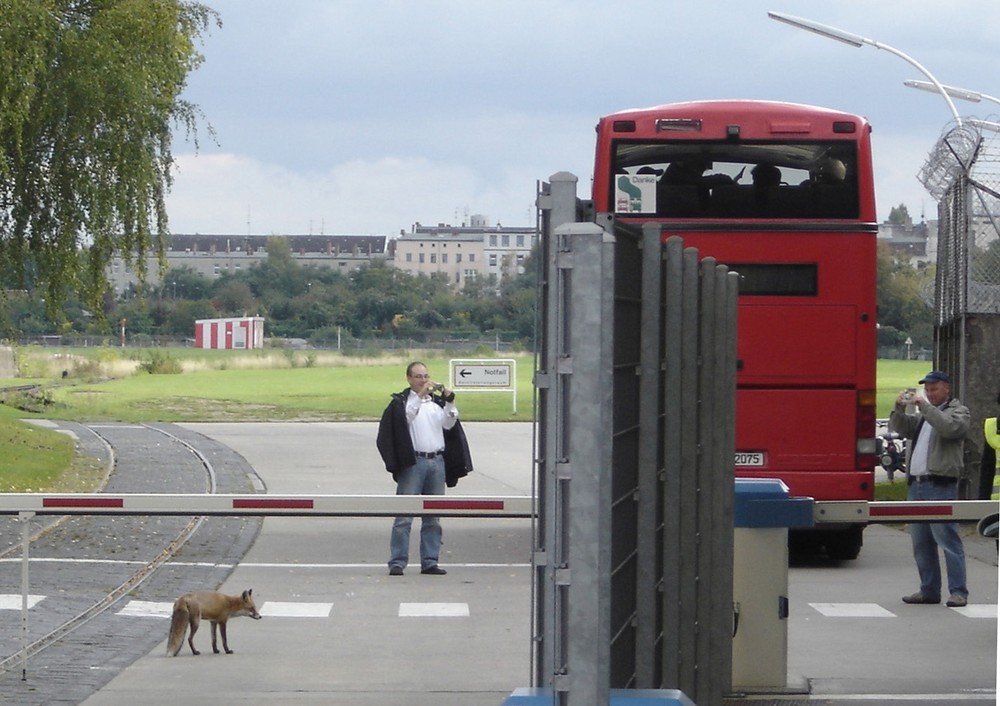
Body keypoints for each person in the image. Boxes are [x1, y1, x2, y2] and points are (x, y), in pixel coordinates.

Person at [376, 361, 472, 576]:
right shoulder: (402, 403)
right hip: (413, 463)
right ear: (409, 379)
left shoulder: (435, 403)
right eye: (418, 376)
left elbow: (449, 423)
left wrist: (449, 402)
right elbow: (406, 418)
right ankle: (397, 561)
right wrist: (419, 396)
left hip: (436, 462)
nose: (423, 380)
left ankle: (430, 561)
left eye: (425, 376)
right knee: (404, 515)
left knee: (433, 515)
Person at [888, 370, 971, 607]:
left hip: (940, 484)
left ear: (947, 389)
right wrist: (899, 407)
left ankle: (958, 591)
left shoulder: (958, 412)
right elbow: (903, 427)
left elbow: (950, 429)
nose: (930, 393)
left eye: (934, 389)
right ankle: (929, 589)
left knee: (947, 539)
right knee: (921, 543)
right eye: (928, 390)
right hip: (918, 485)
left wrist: (924, 406)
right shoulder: (926, 416)